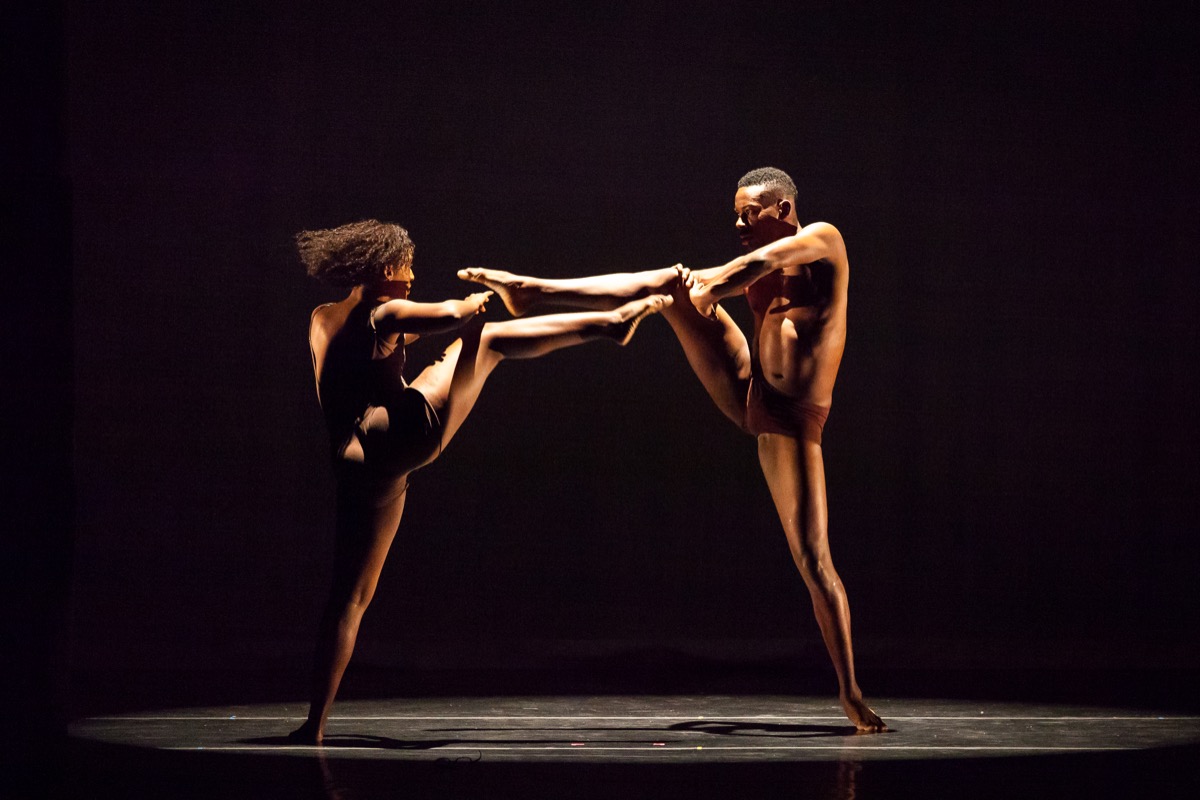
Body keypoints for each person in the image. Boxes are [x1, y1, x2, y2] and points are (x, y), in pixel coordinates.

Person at [460, 167, 886, 732]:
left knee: (813, 559)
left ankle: (850, 691)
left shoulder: (823, 239)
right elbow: (726, 274)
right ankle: (533, 290)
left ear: (782, 209)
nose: (739, 223)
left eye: (749, 213)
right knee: (669, 282)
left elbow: (751, 266)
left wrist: (712, 285)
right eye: (735, 214)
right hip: (750, 387)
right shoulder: (756, 252)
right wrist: (696, 284)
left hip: (790, 419)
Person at [290, 219, 670, 744]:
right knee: (489, 340)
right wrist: (475, 303)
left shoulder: (324, 317)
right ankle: (610, 323)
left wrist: (445, 329)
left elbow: (396, 338)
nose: (412, 277)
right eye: (407, 268)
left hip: (356, 461)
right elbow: (446, 315)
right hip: (395, 436)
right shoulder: (384, 311)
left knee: (349, 599)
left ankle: (314, 726)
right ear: (384, 268)